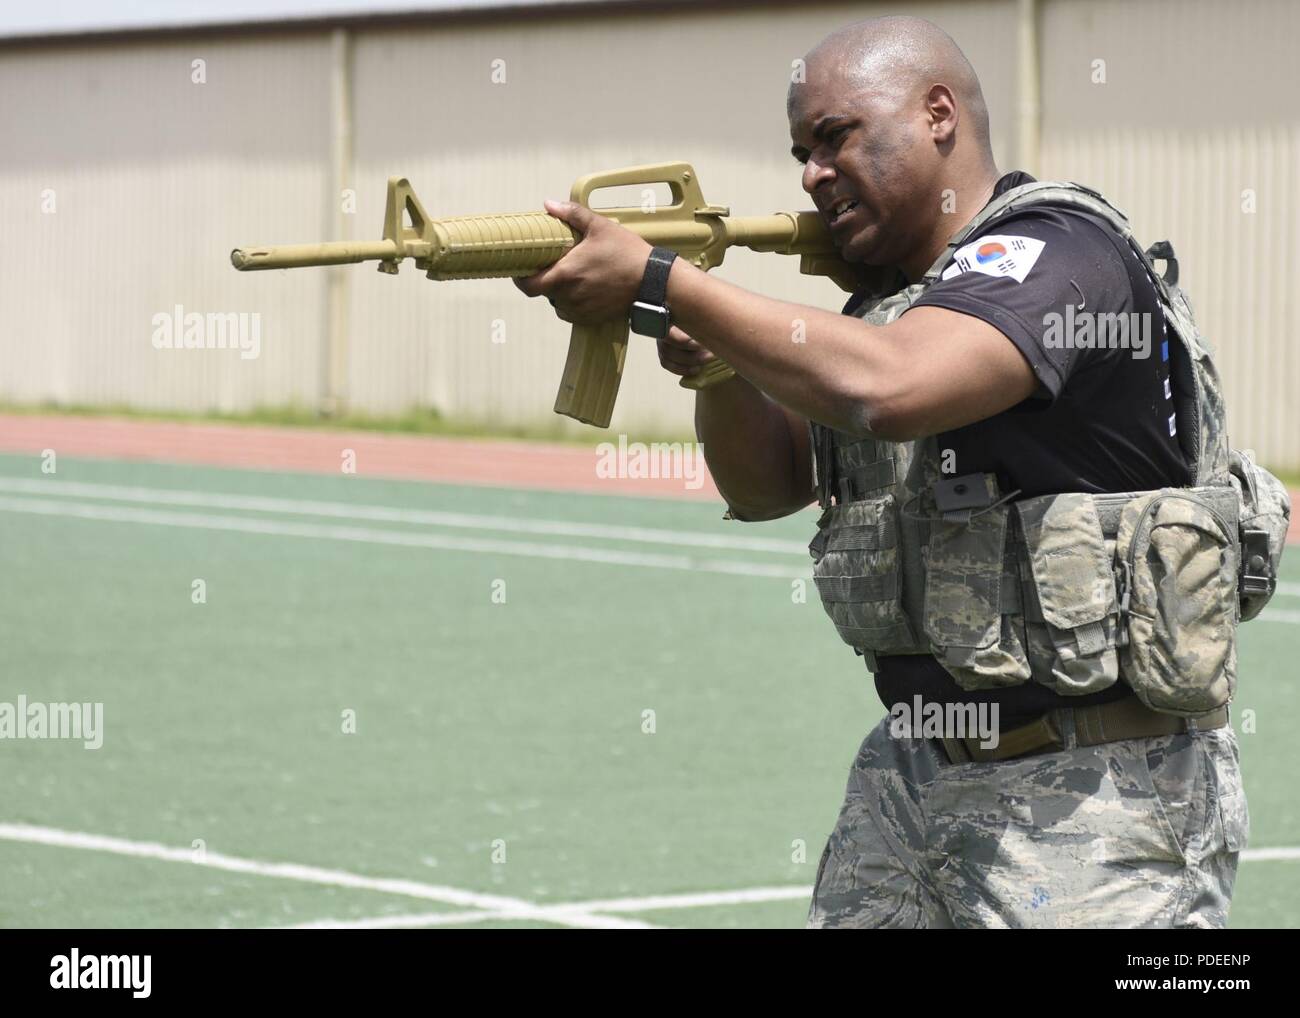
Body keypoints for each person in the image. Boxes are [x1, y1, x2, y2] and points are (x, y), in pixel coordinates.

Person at [514, 15, 1288, 927]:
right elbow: (765, 487)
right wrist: (716, 364)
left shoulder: (1056, 252)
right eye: (802, 151)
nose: (811, 172)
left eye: (836, 136)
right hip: (915, 771)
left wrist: (661, 280)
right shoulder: (889, 304)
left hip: (1097, 792)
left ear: (937, 114)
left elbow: (895, 388)